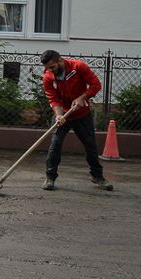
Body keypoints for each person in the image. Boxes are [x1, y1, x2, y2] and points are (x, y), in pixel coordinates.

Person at [39, 50, 113, 191]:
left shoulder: (78, 67)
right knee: (55, 145)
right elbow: (53, 99)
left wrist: (83, 97)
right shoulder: (48, 77)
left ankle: (97, 176)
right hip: (63, 115)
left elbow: (96, 85)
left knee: (90, 145)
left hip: (81, 114)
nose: (50, 70)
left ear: (60, 60)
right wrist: (59, 116)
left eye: (52, 67)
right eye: (48, 68)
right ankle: (50, 177)